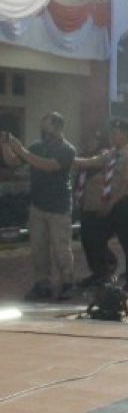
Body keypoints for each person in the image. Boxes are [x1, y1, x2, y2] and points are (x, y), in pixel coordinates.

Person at [0, 113, 77, 300]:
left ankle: (68, 283)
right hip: (38, 205)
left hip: (59, 206)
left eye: (47, 127)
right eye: (42, 126)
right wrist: (5, 145)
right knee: (38, 248)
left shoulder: (67, 149)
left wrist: (22, 151)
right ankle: (43, 285)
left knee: (61, 249)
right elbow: (13, 162)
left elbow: (49, 166)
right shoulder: (36, 146)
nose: (44, 130)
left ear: (58, 128)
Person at [76, 119, 128, 292]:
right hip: (107, 203)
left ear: (126, 134)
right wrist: (69, 159)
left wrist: (110, 204)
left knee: (127, 241)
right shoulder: (110, 154)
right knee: (94, 238)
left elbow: (127, 184)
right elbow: (91, 162)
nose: (112, 135)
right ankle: (101, 273)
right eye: (111, 132)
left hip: (123, 203)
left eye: (116, 132)